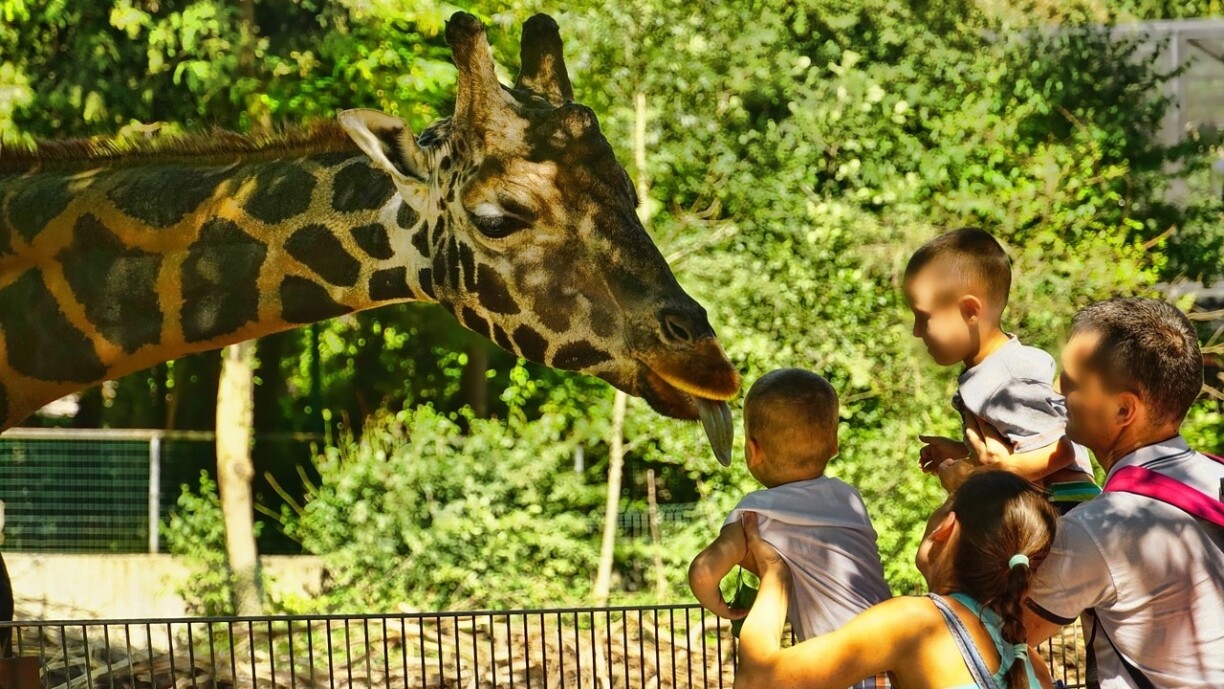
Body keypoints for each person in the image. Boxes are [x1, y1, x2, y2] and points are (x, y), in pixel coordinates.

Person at [1020, 297, 1224, 688]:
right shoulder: (1216, 477)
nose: (1057, 390)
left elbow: (992, 641)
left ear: (1123, 411)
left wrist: (972, 499)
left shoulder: (1099, 528)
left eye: (1074, 381)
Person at [734, 471, 1058, 689]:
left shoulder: (917, 622)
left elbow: (758, 680)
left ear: (945, 527)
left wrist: (775, 575)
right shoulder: (1028, 661)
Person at [688, 368, 891, 646]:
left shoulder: (756, 512)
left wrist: (719, 605)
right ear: (834, 446)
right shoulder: (849, 498)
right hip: (893, 644)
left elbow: (703, 573)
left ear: (752, 451)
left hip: (839, 657)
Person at [904, 227, 1099, 512]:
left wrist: (983, 478)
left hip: (1065, 507)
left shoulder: (1008, 377)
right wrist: (963, 453)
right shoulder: (991, 370)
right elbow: (1025, 445)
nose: (916, 331)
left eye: (924, 317)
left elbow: (1061, 450)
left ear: (970, 311)